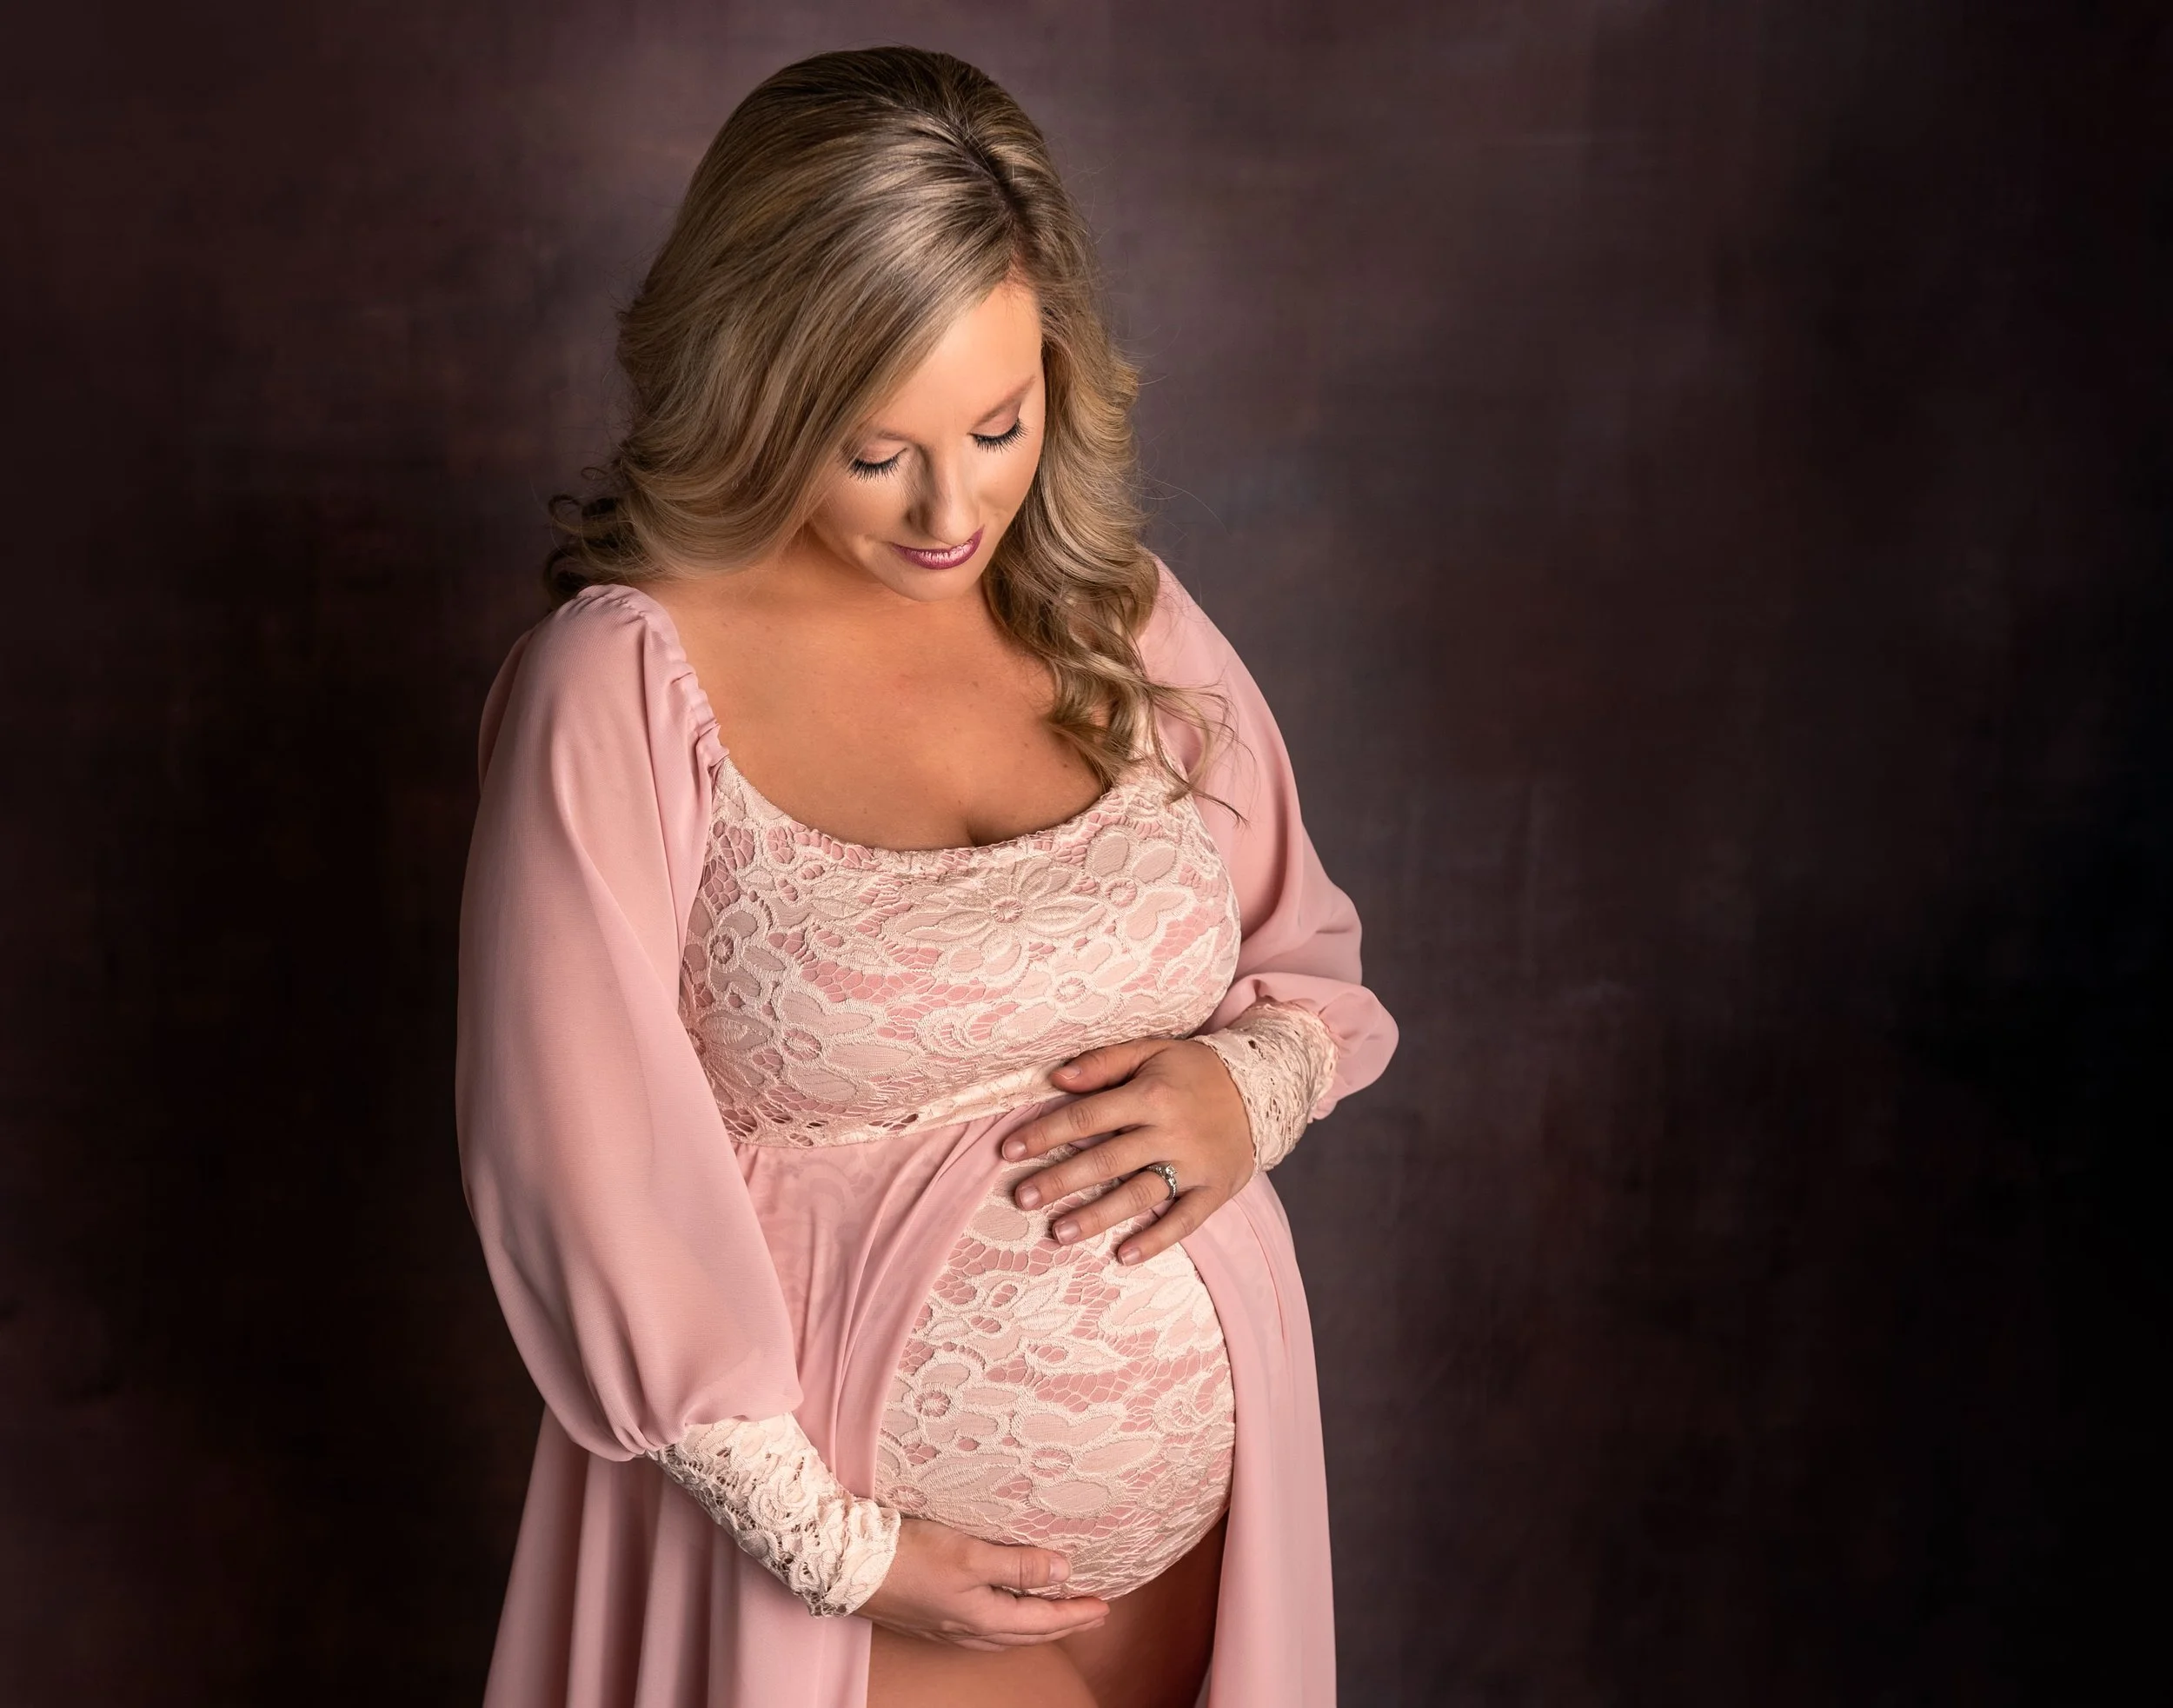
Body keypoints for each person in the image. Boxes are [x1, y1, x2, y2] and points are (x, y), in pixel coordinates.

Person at [455, 45, 1397, 1708]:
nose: (952, 507)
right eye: (875, 449)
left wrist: (1250, 1087)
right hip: (845, 1567)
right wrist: (840, 1549)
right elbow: (574, 1164)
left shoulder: (1120, 622)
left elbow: (1307, 967)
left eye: (999, 423)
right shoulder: (621, 685)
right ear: (757, 391)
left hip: (1199, 1552)